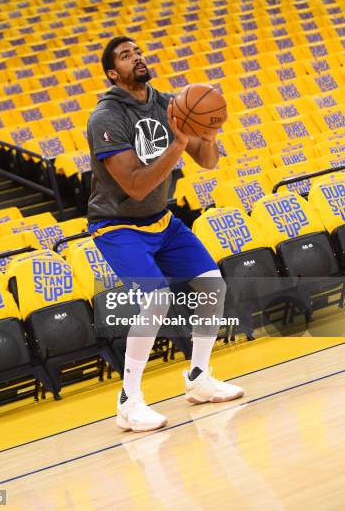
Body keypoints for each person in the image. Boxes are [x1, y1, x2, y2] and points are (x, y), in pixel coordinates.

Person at [87, 36, 244, 432]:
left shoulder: (169, 103)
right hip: (117, 224)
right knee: (155, 298)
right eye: (125, 56)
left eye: (137, 51)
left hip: (161, 219)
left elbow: (207, 162)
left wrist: (206, 135)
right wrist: (176, 145)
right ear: (112, 73)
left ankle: (198, 378)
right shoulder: (106, 117)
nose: (136, 57)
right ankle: (129, 400)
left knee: (213, 285)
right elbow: (135, 186)